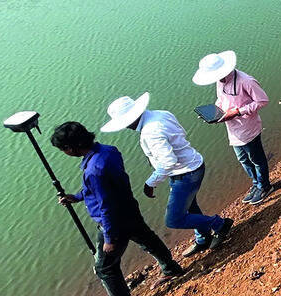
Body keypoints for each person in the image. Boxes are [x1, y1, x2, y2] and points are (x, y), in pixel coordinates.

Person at [50, 121, 184, 296]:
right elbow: (103, 188)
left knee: (105, 268)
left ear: (71, 148)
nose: (65, 153)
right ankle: (170, 268)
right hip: (129, 209)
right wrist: (76, 197)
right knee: (148, 240)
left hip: (114, 223)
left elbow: (106, 205)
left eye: (63, 149)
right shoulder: (109, 151)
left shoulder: (93, 170)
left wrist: (109, 238)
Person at [100, 93, 233, 257]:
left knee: (174, 219)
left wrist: (150, 183)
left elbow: (169, 162)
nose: (126, 127)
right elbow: (181, 133)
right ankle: (202, 238)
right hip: (193, 164)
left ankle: (220, 224)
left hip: (185, 174)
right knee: (190, 207)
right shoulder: (160, 114)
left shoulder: (150, 132)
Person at [193, 50, 272, 205]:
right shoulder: (220, 82)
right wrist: (214, 113)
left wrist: (238, 112)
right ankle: (256, 184)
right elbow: (221, 100)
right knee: (243, 159)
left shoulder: (245, 81)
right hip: (233, 129)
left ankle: (265, 186)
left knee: (256, 159)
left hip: (248, 128)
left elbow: (263, 100)